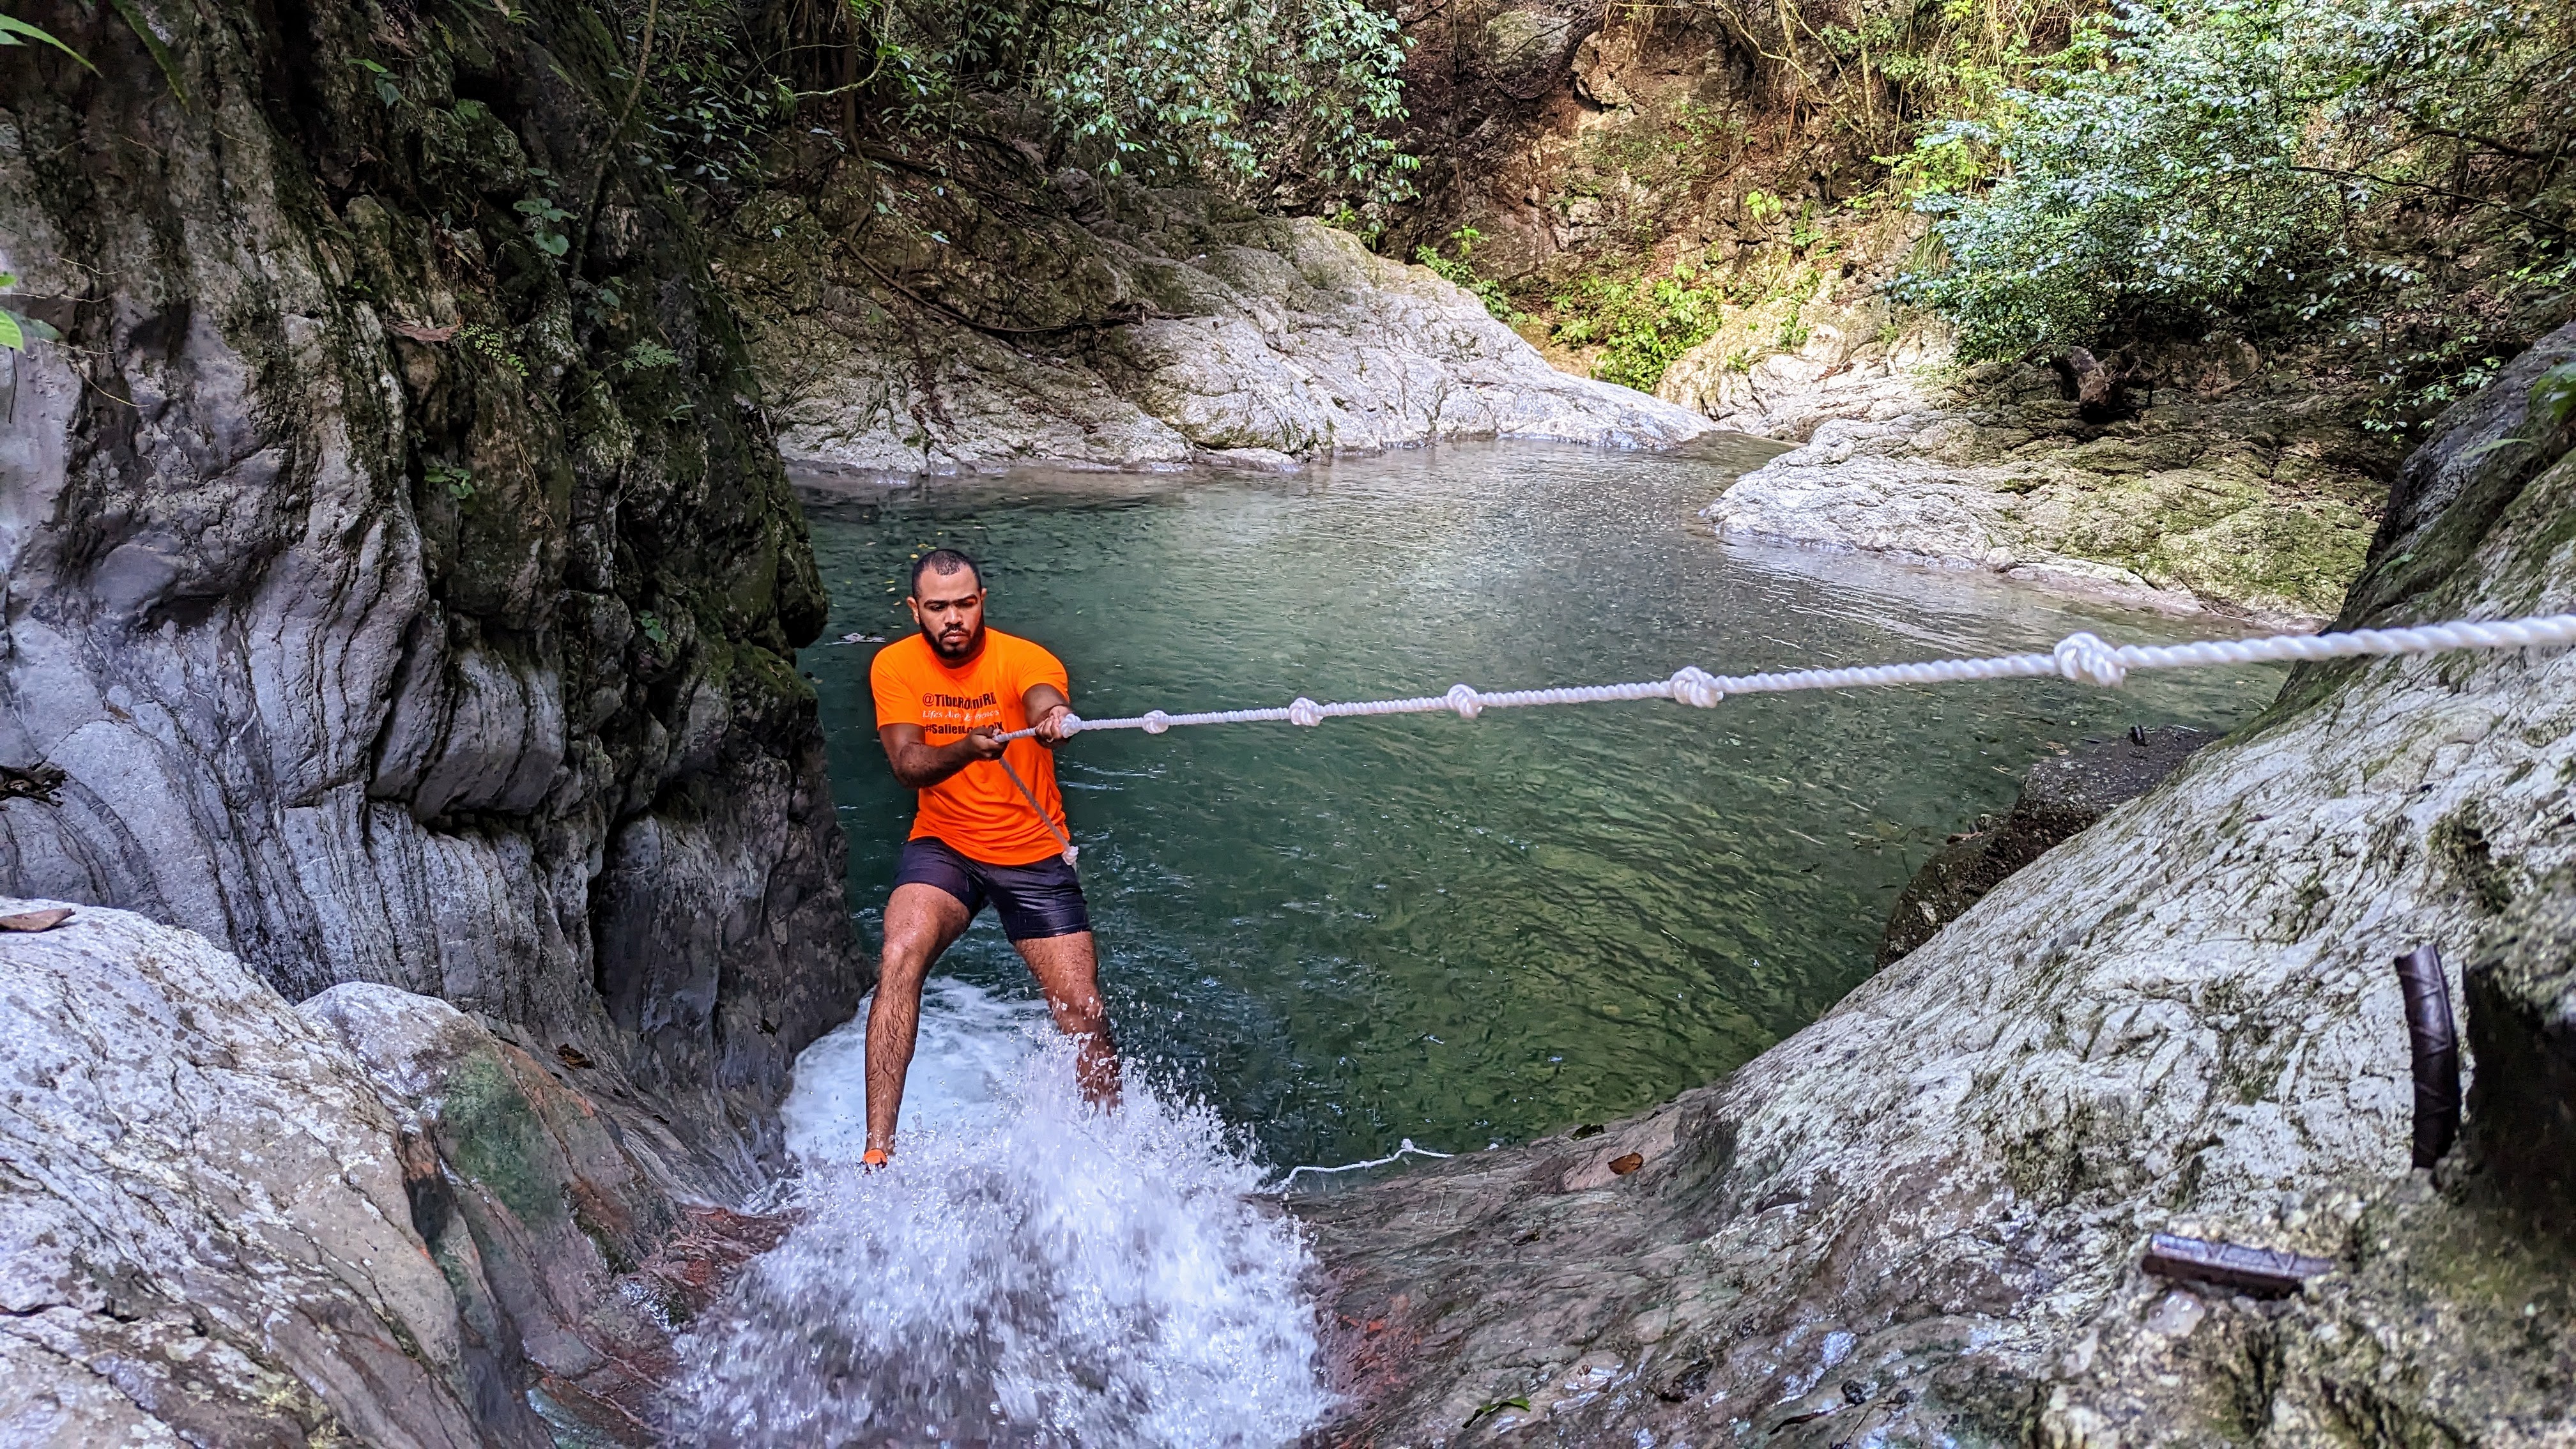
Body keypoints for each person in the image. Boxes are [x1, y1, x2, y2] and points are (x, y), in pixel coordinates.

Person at [861, 547, 1119, 1167]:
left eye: (965, 605)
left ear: (983, 602)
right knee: (900, 954)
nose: (954, 619)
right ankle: (877, 1156)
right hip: (944, 845)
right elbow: (907, 765)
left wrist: (1053, 717)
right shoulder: (894, 665)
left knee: (1082, 1008)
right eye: (938, 607)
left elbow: (1040, 696)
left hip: (1030, 852)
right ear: (915, 609)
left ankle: (1115, 1152)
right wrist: (968, 749)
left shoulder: (1024, 657)